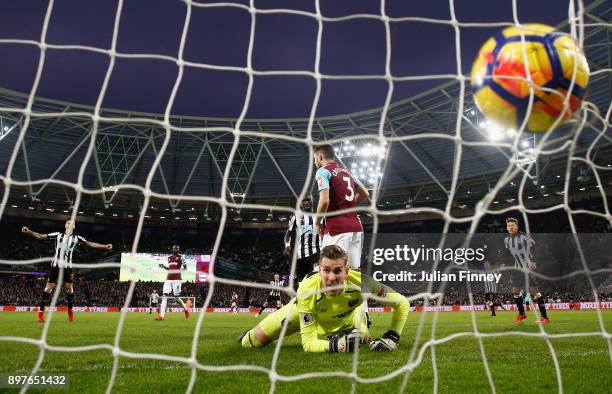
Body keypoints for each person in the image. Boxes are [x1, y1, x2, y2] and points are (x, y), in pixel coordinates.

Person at [240, 245, 409, 353]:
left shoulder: (364, 283)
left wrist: (392, 336)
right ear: (319, 270)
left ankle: (361, 321)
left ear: (347, 271)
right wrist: (336, 346)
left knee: (362, 338)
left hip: (348, 320)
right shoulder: (306, 290)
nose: (331, 278)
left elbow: (402, 303)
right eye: (326, 270)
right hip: (304, 312)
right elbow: (309, 344)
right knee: (250, 342)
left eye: (337, 271)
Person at [21, 220, 112, 322]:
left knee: (69, 287)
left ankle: (70, 311)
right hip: (55, 265)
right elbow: (41, 236)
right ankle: (41, 314)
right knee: (49, 287)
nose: (70, 224)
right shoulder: (57, 235)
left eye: (72, 223)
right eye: (68, 222)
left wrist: (104, 246)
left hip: (67, 266)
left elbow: (90, 244)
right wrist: (29, 231)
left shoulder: (77, 238)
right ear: (65, 225)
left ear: (74, 227)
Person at [504, 218, 549, 324]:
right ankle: (522, 313)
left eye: (512, 225)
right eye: (509, 225)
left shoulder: (524, 236)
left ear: (517, 226)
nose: (510, 227)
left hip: (528, 267)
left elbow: (535, 248)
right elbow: (509, 254)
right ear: (507, 228)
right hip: (517, 268)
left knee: (534, 292)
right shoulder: (507, 240)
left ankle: (545, 317)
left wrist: (533, 262)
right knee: (515, 291)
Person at [284, 194, 321, 289]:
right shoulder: (295, 216)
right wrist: (287, 245)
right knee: (302, 283)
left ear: (312, 200)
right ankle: (302, 301)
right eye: (303, 201)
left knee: (316, 278)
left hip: (316, 252)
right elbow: (287, 234)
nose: (306, 202)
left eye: (308, 200)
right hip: (300, 254)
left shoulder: (320, 214)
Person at [155, 245, 190, 321]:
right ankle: (161, 316)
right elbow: (170, 269)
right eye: (174, 248)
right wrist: (164, 267)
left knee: (176, 297)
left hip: (177, 279)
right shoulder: (169, 258)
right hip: (168, 279)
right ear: (172, 249)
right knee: (164, 296)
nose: (175, 249)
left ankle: (186, 310)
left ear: (179, 249)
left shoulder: (181, 257)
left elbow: (185, 269)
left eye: (176, 248)